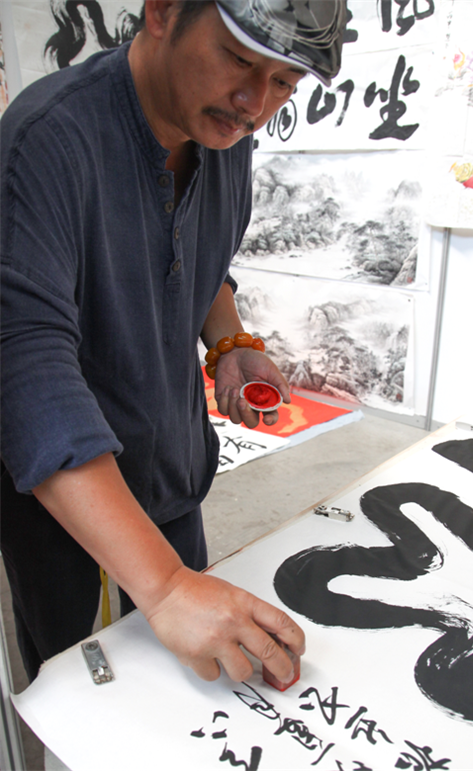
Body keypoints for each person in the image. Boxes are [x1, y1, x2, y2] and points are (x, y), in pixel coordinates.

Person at [1, 0, 346, 685]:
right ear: (161, 11)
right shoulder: (45, 142)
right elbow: (25, 367)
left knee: (195, 691)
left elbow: (194, 256)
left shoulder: (225, 134)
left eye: (284, 82)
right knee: (97, 703)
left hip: (173, 474)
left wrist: (228, 340)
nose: (255, 104)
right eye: (239, 59)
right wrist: (162, 586)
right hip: (73, 507)